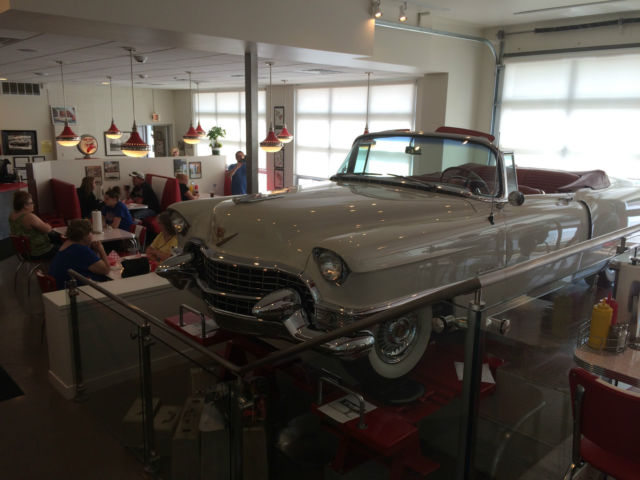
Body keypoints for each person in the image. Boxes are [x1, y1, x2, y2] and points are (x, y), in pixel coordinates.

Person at [49, 219, 111, 290]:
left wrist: (95, 250)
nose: (92, 236)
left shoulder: (66, 245)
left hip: (62, 287)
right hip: (77, 290)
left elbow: (93, 264)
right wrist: (101, 249)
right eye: (90, 232)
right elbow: (106, 269)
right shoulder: (80, 250)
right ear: (84, 235)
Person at [9, 191, 59, 260]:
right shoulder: (29, 217)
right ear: (25, 205)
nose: (33, 205)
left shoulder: (12, 215)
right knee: (63, 245)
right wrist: (47, 225)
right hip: (39, 252)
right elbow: (47, 230)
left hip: (24, 253)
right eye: (32, 203)